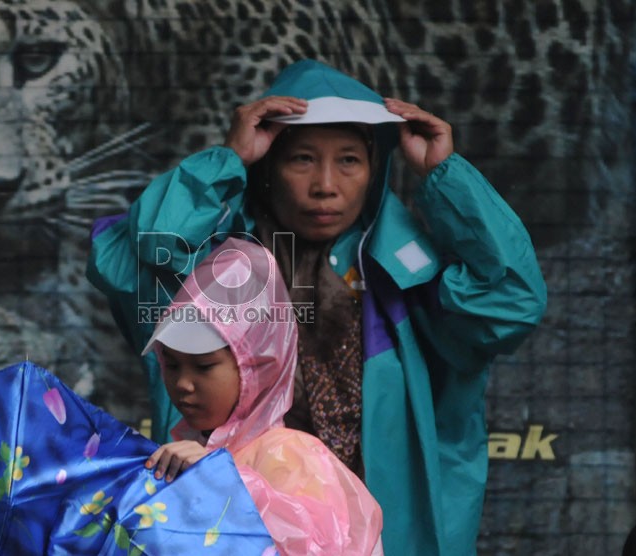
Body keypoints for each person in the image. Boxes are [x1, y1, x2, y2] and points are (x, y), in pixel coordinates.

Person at [86, 59, 547, 555]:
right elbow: (139, 254)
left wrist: (444, 176)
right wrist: (227, 160)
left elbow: (510, 303)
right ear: (268, 167)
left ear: (375, 169)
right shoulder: (215, 271)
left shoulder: (406, 274)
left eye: (349, 159)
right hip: (236, 536)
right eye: (301, 159)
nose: (325, 185)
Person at [141, 237, 384, 555]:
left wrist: (228, 483)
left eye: (203, 366)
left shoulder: (292, 455)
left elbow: (325, 546)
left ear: (256, 364)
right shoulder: (190, 455)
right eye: (171, 364)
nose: (183, 383)